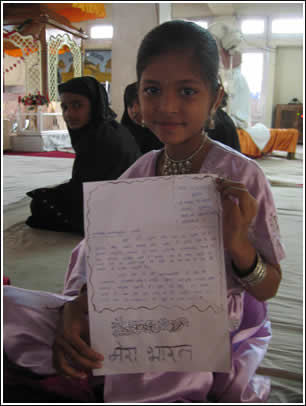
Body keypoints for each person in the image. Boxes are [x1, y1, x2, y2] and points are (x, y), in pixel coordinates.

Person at [4, 21, 284, 403]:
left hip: (202, 321)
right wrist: (77, 310)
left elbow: (268, 286)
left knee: (156, 364)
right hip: (127, 308)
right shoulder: (141, 169)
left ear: (215, 98)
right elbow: (104, 260)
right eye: (152, 90)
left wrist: (238, 246)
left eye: (187, 91)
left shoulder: (242, 178)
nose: (167, 106)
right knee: (12, 312)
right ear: (138, 96)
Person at [25, 76, 141, 235]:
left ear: (94, 105)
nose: (69, 114)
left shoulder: (99, 138)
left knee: (40, 203)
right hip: (125, 202)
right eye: (65, 107)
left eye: (77, 105)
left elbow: (86, 190)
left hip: (112, 208)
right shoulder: (110, 127)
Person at [121, 82, 164, 153]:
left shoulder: (165, 134)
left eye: (139, 103)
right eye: (130, 105)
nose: (134, 110)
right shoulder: (123, 136)